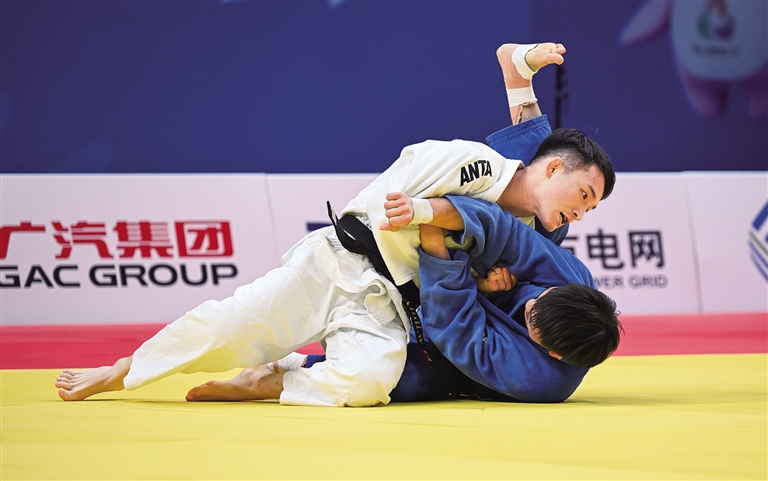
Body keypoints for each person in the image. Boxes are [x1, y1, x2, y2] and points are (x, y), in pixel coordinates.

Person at [55, 42, 614, 407]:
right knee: (230, 327)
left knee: (370, 380)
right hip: (343, 261)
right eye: (584, 196)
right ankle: (123, 369)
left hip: (395, 305)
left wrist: (479, 277)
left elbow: (506, 233)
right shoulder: (477, 167)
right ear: (556, 169)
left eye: (592, 207)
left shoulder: (541, 232)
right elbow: (417, 181)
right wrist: (427, 215)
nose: (583, 211)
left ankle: (274, 379)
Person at [185, 195, 622, 404]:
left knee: (398, 382)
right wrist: (436, 214)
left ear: (552, 351)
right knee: (522, 219)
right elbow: (508, 234)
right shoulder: (572, 279)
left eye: (531, 321)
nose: (529, 305)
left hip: (456, 359)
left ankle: (282, 374)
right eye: (537, 299)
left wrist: (443, 253)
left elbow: (457, 332)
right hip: (446, 273)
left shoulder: (541, 379)